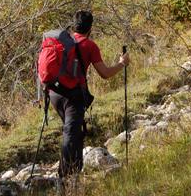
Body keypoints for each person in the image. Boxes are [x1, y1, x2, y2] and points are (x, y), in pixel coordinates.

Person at [49, 10, 130, 179]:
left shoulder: (62, 41)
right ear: (90, 28)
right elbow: (105, 73)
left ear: (74, 25)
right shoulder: (89, 45)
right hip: (73, 95)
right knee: (71, 133)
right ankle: (66, 179)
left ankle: (72, 172)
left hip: (54, 93)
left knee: (73, 131)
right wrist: (122, 64)